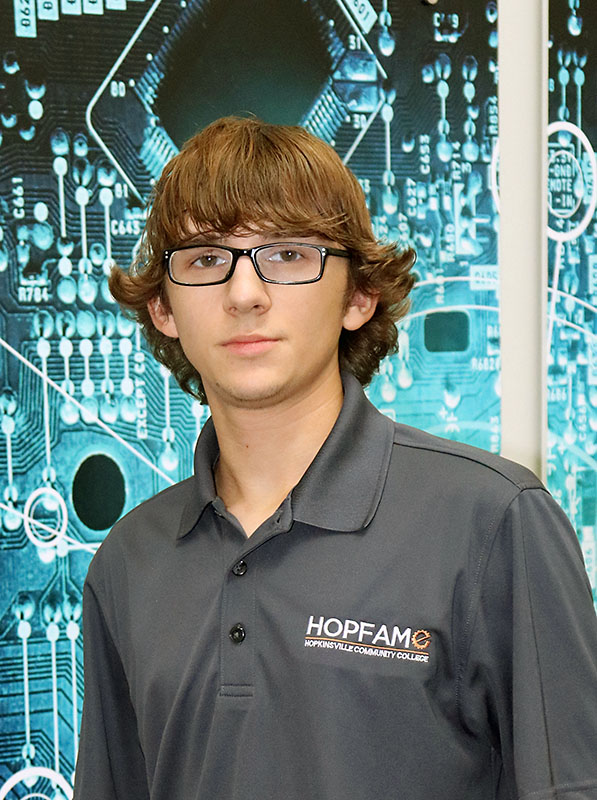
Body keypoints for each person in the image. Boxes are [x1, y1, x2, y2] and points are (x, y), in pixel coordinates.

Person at [74, 116, 597, 800]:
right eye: (204, 259)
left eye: (288, 254)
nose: (244, 294)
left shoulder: (495, 523)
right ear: (163, 309)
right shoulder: (126, 563)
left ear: (358, 296)